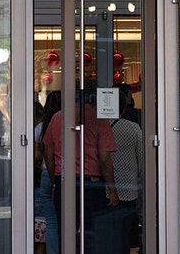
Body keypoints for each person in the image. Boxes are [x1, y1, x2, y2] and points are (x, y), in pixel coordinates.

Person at [43, 80, 118, 254]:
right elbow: (104, 157)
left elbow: (48, 152)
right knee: (91, 231)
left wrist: (55, 179)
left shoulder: (58, 117)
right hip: (92, 184)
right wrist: (112, 188)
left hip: (65, 181)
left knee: (65, 230)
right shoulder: (99, 119)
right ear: (94, 97)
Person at [104, 84, 142, 254]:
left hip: (105, 185)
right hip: (129, 185)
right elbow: (142, 160)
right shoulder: (133, 128)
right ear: (125, 107)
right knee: (126, 227)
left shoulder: (100, 127)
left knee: (108, 228)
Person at [34, 91, 61, 254]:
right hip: (68, 173)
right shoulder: (68, 123)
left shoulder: (40, 127)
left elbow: (38, 155)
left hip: (46, 173)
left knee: (51, 220)